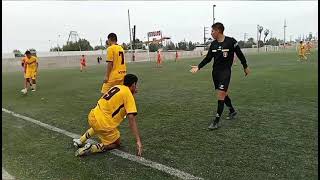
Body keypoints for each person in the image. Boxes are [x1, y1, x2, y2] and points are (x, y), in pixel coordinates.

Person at [190, 22, 250, 130]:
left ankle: (216, 121)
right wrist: (199, 67)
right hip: (215, 73)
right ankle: (232, 111)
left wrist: (245, 66)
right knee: (224, 93)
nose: (212, 33)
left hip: (225, 73)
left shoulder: (231, 42)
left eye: (212, 31)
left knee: (221, 95)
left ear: (218, 31)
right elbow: (208, 58)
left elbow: (240, 54)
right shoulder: (213, 44)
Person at [73, 74, 143, 157]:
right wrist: (138, 141)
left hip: (92, 116)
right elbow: (131, 118)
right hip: (103, 125)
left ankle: (80, 140)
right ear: (134, 84)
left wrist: (132, 91)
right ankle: (92, 148)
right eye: (136, 85)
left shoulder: (117, 87)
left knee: (99, 123)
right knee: (116, 143)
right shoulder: (128, 95)